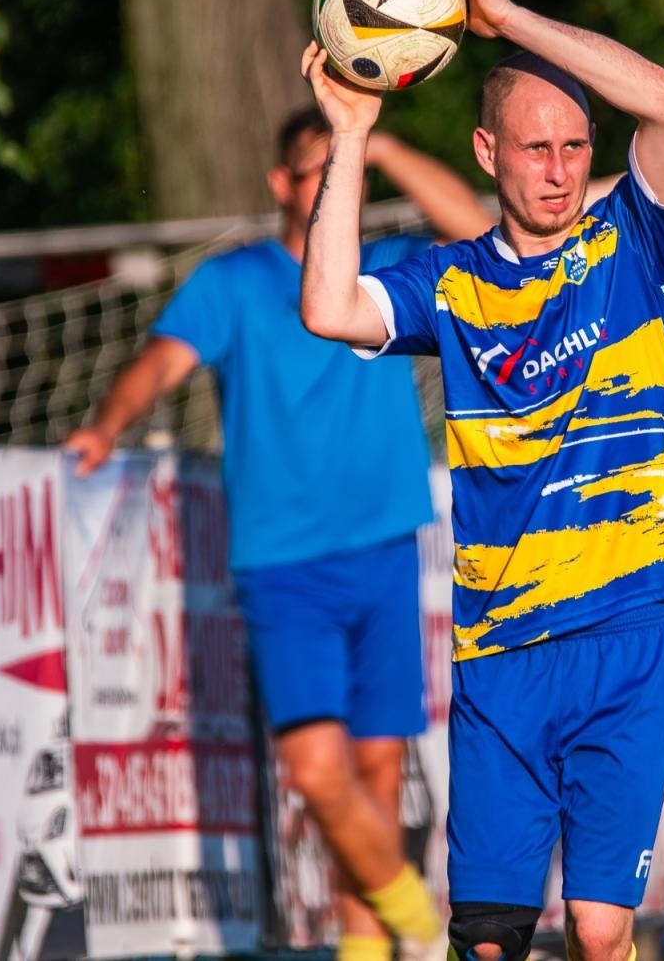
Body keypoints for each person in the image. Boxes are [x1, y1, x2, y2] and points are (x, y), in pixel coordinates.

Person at [297, 0, 664, 961]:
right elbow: (328, 304)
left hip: (628, 629)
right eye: (534, 148)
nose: (559, 171)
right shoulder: (449, 282)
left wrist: (506, 16)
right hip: (500, 648)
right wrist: (350, 132)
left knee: (603, 931)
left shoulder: (633, 244)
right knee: (485, 939)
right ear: (487, 154)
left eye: (573, 146)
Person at [66, 107, 492, 961]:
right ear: (279, 184)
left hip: (382, 548)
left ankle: (365, 948)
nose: (338, 178)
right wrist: (106, 427)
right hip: (282, 563)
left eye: (350, 167)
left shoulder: (394, 272)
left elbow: (479, 229)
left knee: (378, 773)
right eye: (318, 165)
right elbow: (160, 362)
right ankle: (415, 918)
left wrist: (381, 139)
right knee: (319, 775)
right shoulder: (235, 282)